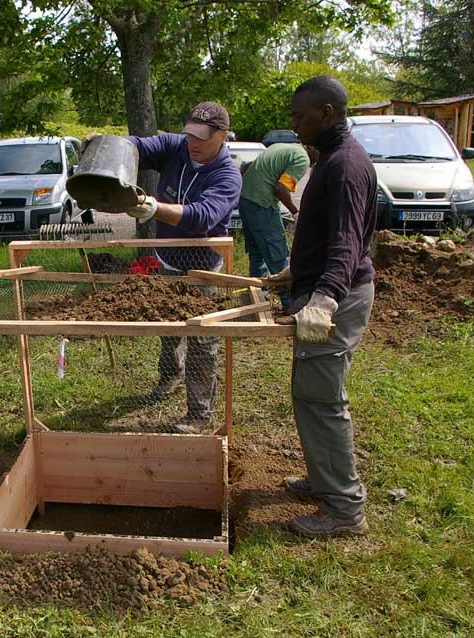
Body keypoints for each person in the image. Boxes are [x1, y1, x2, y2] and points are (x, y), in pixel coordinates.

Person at [266, 75, 377, 537]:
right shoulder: (331, 158)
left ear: (327, 113)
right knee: (310, 393)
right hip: (322, 287)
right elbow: (325, 231)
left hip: (339, 297)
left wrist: (324, 296)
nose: (294, 125)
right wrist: (298, 272)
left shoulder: (346, 165)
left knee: (322, 400)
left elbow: (348, 242)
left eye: (300, 116)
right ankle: (322, 479)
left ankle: (344, 509)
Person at [87, 101, 242, 434]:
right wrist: (107, 145)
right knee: (169, 327)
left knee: (202, 338)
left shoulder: (227, 175)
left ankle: (198, 414)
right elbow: (138, 146)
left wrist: (152, 208)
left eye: (203, 137)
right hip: (167, 259)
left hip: (203, 269)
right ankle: (170, 375)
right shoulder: (177, 146)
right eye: (191, 135)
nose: (194, 143)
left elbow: (202, 217)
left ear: (223, 136)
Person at [238, 142, 311, 312]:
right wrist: (295, 213)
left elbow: (247, 167)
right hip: (262, 204)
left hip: (246, 200)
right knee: (278, 256)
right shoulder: (302, 158)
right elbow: (281, 188)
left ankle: (257, 300)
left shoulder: (280, 146)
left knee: (257, 255)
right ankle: (291, 304)